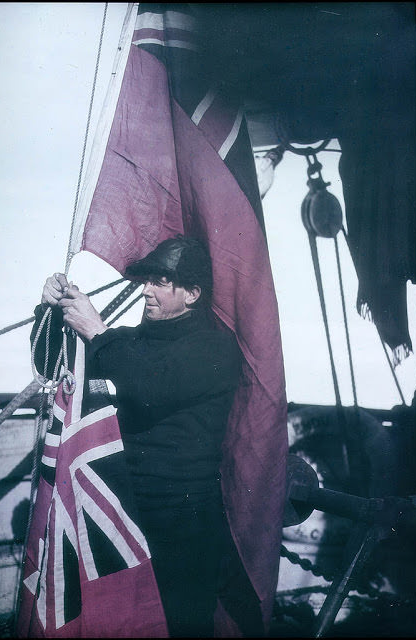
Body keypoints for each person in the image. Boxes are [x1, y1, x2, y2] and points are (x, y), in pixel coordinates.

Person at [32, 236, 244, 637]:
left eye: (161, 281)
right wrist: (51, 311)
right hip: (125, 515)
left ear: (193, 293)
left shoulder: (216, 348)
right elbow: (51, 364)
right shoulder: (129, 343)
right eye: (147, 280)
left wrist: (96, 329)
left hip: (186, 527)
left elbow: (151, 385)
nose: (146, 289)